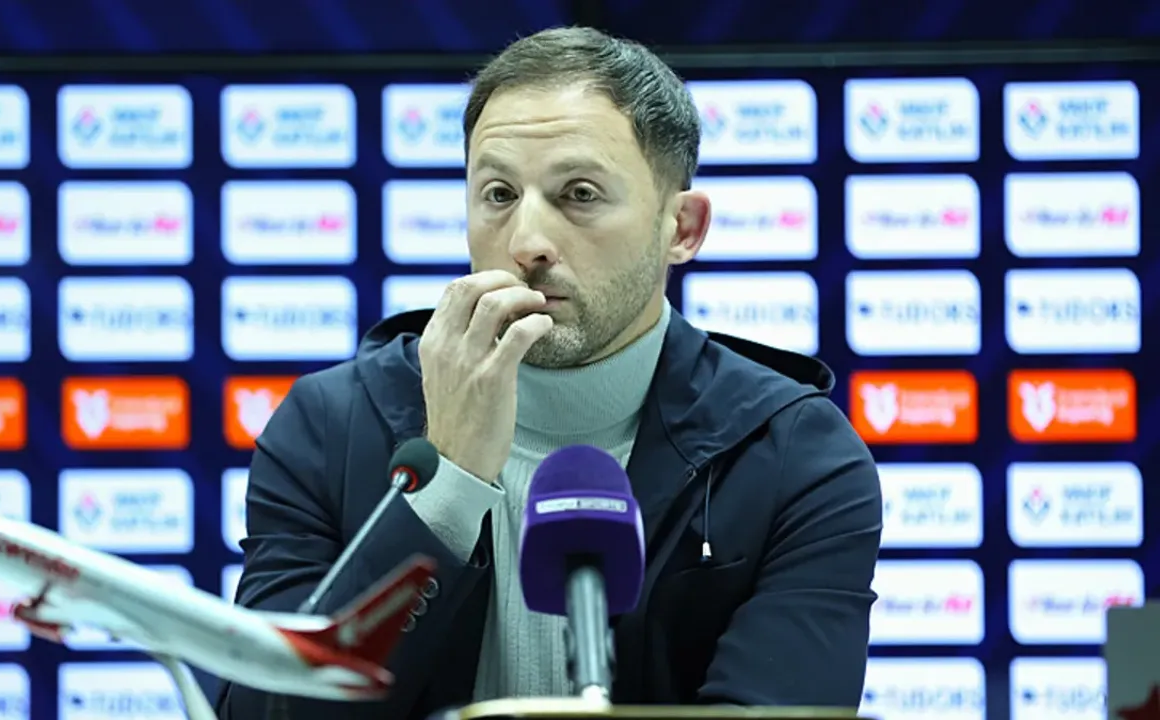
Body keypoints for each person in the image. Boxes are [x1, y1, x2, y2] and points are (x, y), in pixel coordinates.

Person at [215, 25, 881, 720]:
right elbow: (262, 715)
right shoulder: (328, 426)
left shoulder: (796, 455)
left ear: (681, 228)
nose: (527, 242)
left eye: (579, 194)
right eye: (499, 194)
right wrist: (447, 485)